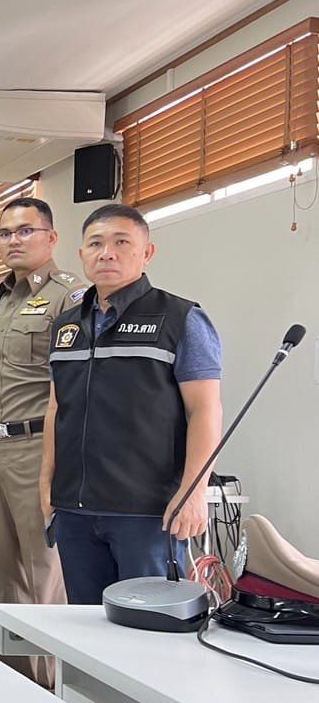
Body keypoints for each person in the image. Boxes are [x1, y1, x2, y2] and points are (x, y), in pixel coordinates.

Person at [41, 204, 223, 603]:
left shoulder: (181, 318)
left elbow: (205, 410)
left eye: (121, 242)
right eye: (95, 244)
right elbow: (57, 408)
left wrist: (195, 491)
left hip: (147, 512)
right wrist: (46, 483)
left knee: (148, 626)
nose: (107, 253)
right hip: (75, 509)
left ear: (147, 253)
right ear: (82, 254)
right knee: (84, 628)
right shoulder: (66, 325)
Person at [0, 198, 87, 677]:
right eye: (5, 232)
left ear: (51, 238)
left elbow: (73, 387)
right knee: (1, 569)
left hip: (39, 448)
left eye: (25, 231)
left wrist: (58, 460)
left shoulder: (69, 296)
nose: (13, 240)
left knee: (42, 571)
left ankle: (50, 682)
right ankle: (7, 675)